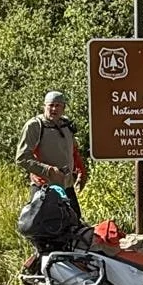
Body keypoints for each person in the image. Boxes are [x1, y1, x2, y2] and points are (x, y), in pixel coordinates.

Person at [15, 91, 91, 220]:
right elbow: (22, 158)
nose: (54, 109)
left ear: (64, 108)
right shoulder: (35, 126)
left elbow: (73, 151)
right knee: (42, 226)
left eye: (58, 105)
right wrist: (48, 170)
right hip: (43, 187)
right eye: (50, 105)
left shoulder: (66, 125)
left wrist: (81, 171)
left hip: (66, 185)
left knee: (74, 220)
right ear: (44, 106)